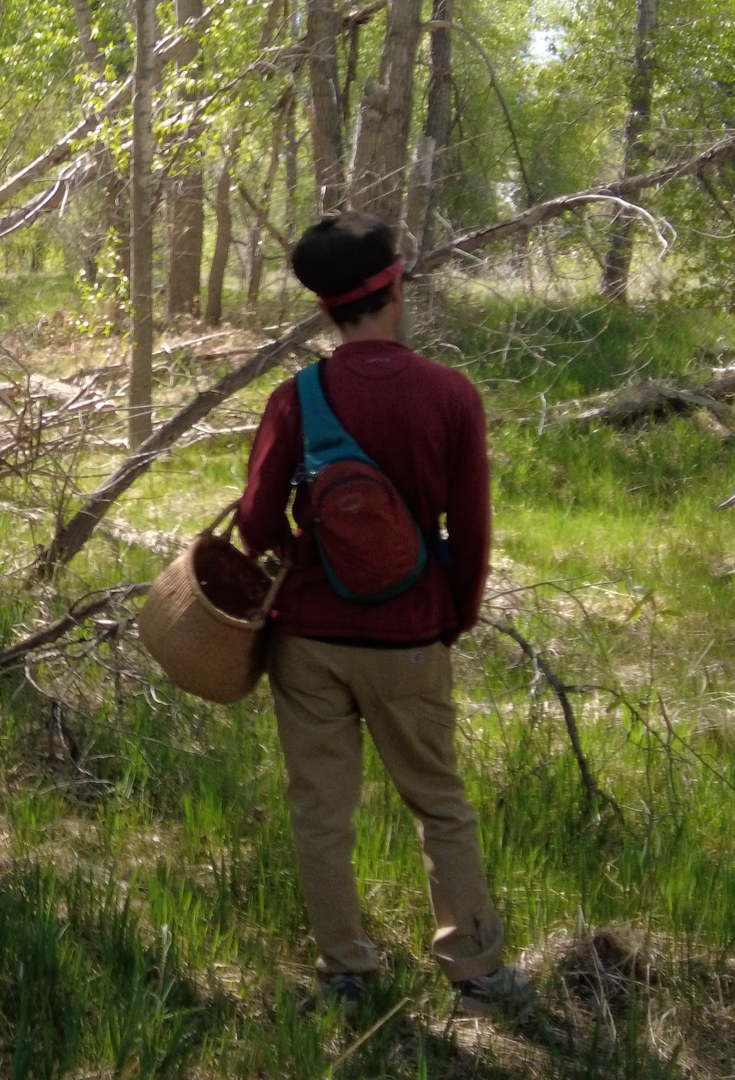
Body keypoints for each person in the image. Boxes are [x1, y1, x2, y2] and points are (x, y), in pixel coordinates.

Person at [236, 212, 531, 1018]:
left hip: (307, 640)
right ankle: (475, 972)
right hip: (408, 637)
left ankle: (346, 970)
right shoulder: (450, 394)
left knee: (320, 809)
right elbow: (471, 530)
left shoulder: (294, 399)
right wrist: (452, 615)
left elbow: (258, 527)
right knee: (438, 801)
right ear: (394, 285)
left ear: (326, 306)